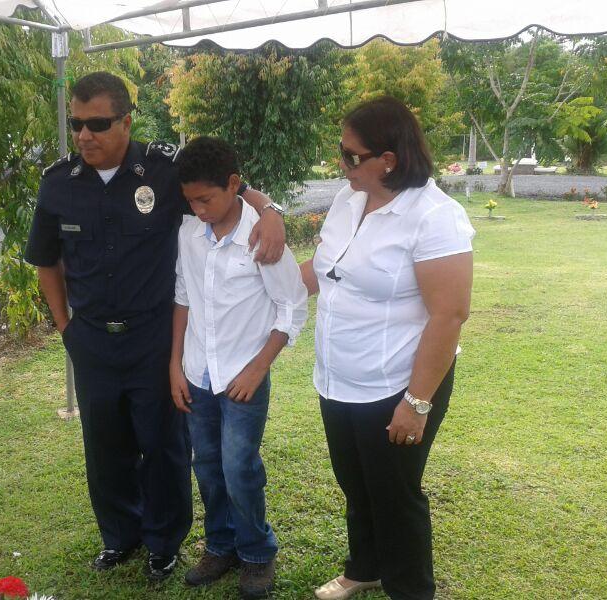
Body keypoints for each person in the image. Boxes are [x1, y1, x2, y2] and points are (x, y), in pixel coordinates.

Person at [24, 72, 286, 581]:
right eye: (77, 124)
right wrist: (65, 328)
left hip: (154, 335)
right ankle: (119, 536)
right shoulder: (58, 183)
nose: (84, 136)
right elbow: (46, 261)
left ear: (126, 121)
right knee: (105, 444)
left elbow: (229, 186)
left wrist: (269, 210)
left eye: (97, 124)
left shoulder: (164, 170)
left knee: (164, 443)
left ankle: (163, 542)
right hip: (91, 338)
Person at [300, 96, 474, 600]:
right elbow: (325, 268)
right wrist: (261, 282)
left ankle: (410, 590)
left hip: (397, 384)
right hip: (338, 378)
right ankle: (365, 567)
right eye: (341, 151)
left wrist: (416, 403)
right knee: (356, 484)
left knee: (395, 494)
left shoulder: (435, 217)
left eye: (351, 155)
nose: (342, 163)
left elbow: (449, 314)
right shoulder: (348, 199)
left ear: (389, 160)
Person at [169, 137, 307, 599]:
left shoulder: (262, 235)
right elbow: (183, 297)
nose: (198, 209)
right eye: (190, 201)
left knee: (239, 467)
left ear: (233, 184)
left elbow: (292, 307)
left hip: (243, 378)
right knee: (207, 467)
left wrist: (258, 368)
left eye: (205, 199)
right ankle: (220, 545)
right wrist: (175, 365)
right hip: (196, 373)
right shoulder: (189, 233)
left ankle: (256, 551)